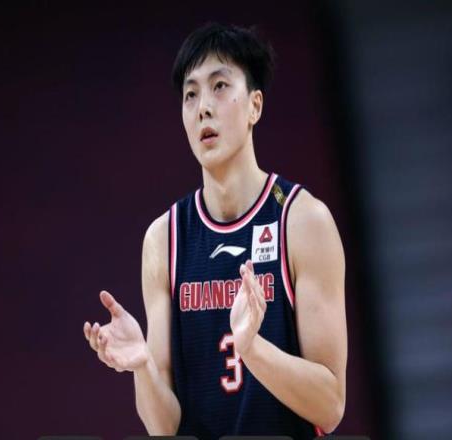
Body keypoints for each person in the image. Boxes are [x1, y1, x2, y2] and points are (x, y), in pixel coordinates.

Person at [83, 22, 347, 440]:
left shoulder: (303, 222)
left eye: (220, 86)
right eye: (191, 95)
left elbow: (330, 406)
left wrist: (252, 349)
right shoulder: (164, 239)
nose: (203, 107)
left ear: (255, 106)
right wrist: (142, 366)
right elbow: (164, 427)